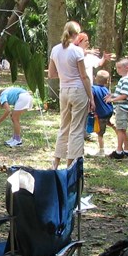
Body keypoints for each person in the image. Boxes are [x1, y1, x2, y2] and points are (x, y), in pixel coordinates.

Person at [48, 21, 94, 169]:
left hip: (64, 90)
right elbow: (84, 76)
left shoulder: (55, 49)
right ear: (76, 34)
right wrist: (91, 98)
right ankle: (71, 164)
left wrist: (64, 74)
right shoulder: (77, 51)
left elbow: (51, 74)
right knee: (77, 128)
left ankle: (56, 163)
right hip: (78, 90)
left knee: (64, 127)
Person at [105, 58, 128, 159]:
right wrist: (112, 95)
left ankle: (119, 150)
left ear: (127, 67)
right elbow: (120, 93)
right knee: (123, 129)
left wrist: (112, 100)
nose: (118, 69)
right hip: (121, 107)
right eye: (117, 68)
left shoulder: (125, 79)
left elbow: (124, 95)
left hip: (122, 107)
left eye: (119, 67)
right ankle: (126, 149)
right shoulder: (123, 79)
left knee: (120, 129)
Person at [90, 70, 114, 156]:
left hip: (101, 114)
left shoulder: (93, 88)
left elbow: (91, 98)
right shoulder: (106, 89)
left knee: (100, 133)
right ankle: (117, 130)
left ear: (95, 78)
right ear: (107, 81)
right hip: (109, 111)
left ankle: (101, 151)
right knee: (108, 122)